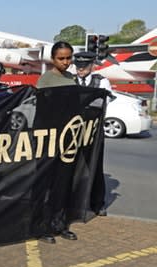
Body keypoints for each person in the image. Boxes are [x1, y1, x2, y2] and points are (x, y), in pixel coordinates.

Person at [33, 41, 78, 243]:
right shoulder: (45, 80)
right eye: (61, 58)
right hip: (48, 141)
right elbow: (41, 113)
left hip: (68, 141)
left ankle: (59, 224)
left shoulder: (72, 78)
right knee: (46, 185)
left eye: (69, 58)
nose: (66, 62)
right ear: (53, 59)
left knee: (63, 183)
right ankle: (40, 227)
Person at [73, 51, 112, 217]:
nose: (80, 70)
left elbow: (103, 103)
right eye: (78, 67)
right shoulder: (71, 80)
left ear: (91, 66)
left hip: (94, 130)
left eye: (84, 67)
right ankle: (72, 201)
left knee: (94, 166)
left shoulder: (102, 81)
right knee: (71, 166)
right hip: (74, 129)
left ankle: (97, 203)